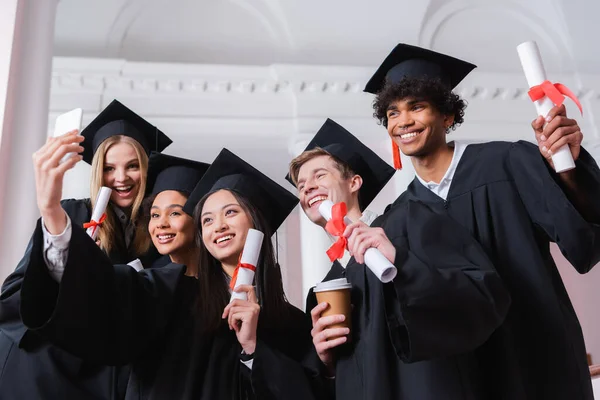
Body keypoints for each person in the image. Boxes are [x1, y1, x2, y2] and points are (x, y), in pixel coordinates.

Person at [365, 42, 600, 399]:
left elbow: (581, 238)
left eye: (417, 107)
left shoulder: (507, 161)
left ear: (447, 116)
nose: (404, 122)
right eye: (393, 113)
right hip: (460, 374)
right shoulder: (397, 217)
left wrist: (566, 168)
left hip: (536, 351)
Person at [18, 148, 323, 400]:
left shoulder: (292, 323)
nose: (217, 226)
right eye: (206, 219)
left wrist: (254, 349)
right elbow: (103, 297)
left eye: (230, 212)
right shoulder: (170, 292)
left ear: (257, 222)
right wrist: (54, 217)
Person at [287, 118, 511, 399]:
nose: (307, 187)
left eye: (319, 176)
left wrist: (400, 260)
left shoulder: (407, 221)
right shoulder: (328, 287)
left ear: (354, 182)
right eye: (302, 184)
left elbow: (482, 293)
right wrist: (327, 361)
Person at [0, 99, 172, 399]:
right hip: (51, 366)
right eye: (109, 168)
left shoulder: (159, 232)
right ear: (97, 173)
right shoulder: (70, 215)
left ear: (146, 169)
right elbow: (19, 289)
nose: (121, 178)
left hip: (110, 373)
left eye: (132, 166)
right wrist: (69, 257)